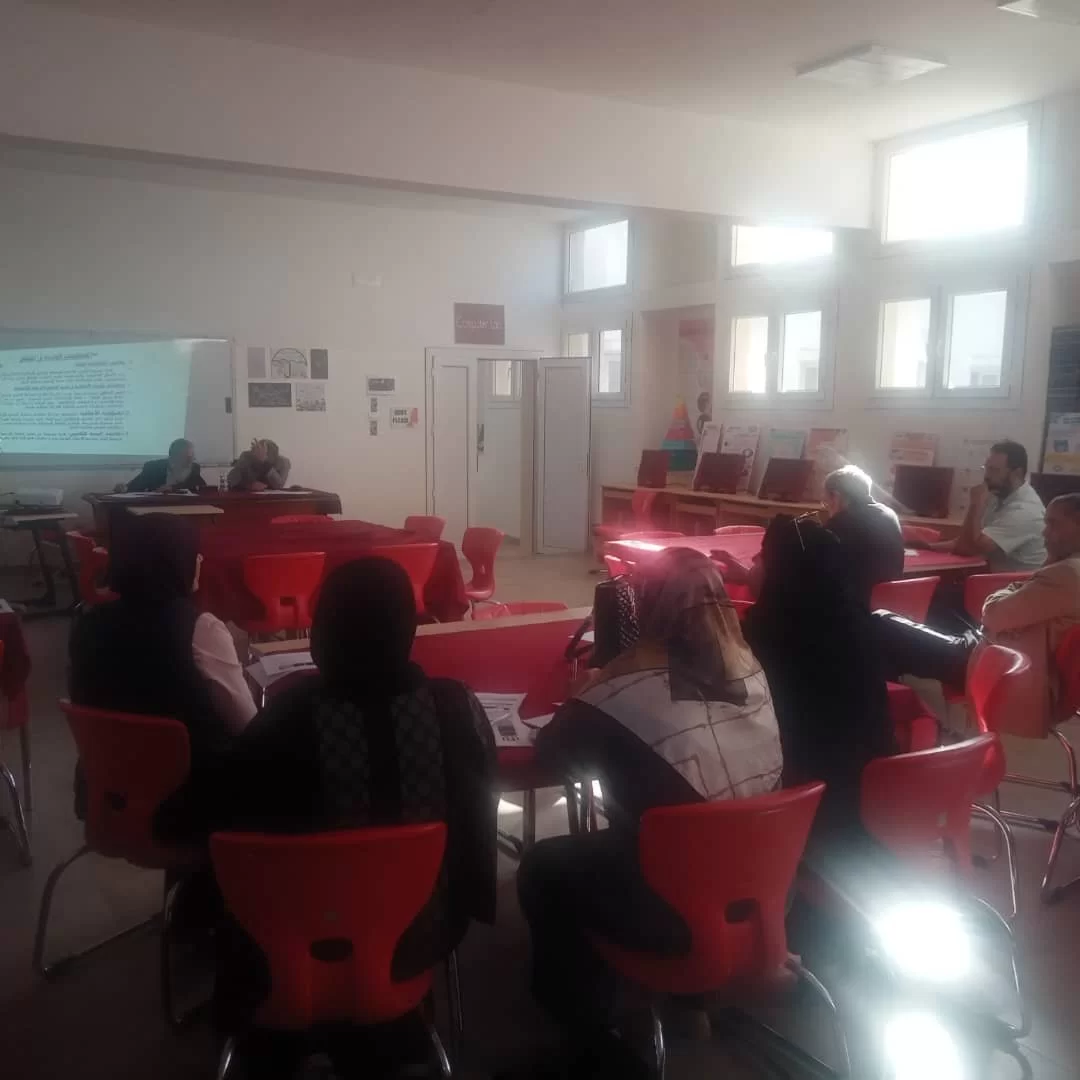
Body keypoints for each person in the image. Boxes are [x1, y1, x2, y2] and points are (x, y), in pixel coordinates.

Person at [208, 557, 497, 1059]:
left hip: (290, 941)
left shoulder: (290, 714)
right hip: (422, 930)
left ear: (324, 632)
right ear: (407, 627)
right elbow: (478, 807)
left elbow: (225, 807)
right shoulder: (454, 707)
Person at [517, 548, 781, 1053]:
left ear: (648, 607)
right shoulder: (752, 670)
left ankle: (588, 1028)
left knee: (544, 867)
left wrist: (587, 692)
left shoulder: (624, 687)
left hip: (668, 905)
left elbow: (552, 753)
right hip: (760, 884)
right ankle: (691, 998)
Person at [69, 513, 256, 829]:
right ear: (174, 561)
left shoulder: (86, 623)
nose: (200, 560)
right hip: (190, 805)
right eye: (193, 553)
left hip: (108, 795)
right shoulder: (202, 629)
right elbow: (246, 726)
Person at [740, 514, 894, 841]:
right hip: (875, 801)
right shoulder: (856, 621)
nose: (754, 562)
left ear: (782, 571)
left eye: (762, 557)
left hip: (805, 810)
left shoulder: (765, 633)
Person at [926, 440, 1046, 572]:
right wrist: (925, 547)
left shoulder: (1024, 511)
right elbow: (963, 543)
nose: (987, 476)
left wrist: (975, 505)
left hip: (1014, 583)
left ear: (1017, 473)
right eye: (987, 469)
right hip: (992, 577)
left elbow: (968, 549)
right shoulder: (998, 495)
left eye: (994, 470)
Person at [821, 464, 904, 604]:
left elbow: (818, 562)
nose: (828, 508)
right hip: (890, 605)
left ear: (836, 496)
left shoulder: (842, 521)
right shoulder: (889, 514)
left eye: (826, 502)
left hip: (854, 606)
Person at [123, 438, 207, 493]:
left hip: (184, 506)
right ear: (174, 456)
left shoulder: (194, 467)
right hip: (157, 506)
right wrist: (124, 488)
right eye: (187, 457)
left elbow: (200, 487)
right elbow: (136, 486)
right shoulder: (153, 467)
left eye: (192, 456)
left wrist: (172, 488)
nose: (192, 460)